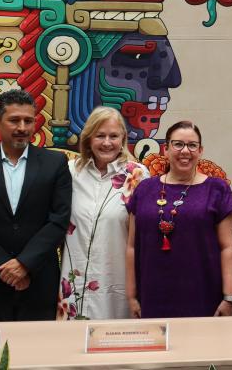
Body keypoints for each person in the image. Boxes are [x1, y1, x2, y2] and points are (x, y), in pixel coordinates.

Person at [0, 89, 72, 321]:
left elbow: (59, 219)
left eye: (28, 121)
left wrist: (24, 264)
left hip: (39, 281)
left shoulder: (55, 163)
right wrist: (6, 268)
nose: (22, 127)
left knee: (37, 353)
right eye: (14, 120)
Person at [125, 121, 232, 318]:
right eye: (178, 144)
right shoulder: (144, 189)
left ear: (200, 150)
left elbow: (228, 248)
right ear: (166, 149)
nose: (185, 151)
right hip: (152, 295)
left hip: (203, 295)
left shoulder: (217, 189)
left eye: (192, 145)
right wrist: (131, 296)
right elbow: (132, 247)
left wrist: (229, 298)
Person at [58, 107, 149, 320]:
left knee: (116, 343)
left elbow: (143, 235)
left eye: (113, 136)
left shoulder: (137, 174)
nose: (107, 142)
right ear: (88, 138)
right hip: (75, 283)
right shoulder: (71, 172)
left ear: (123, 139)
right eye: (100, 135)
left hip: (117, 281)